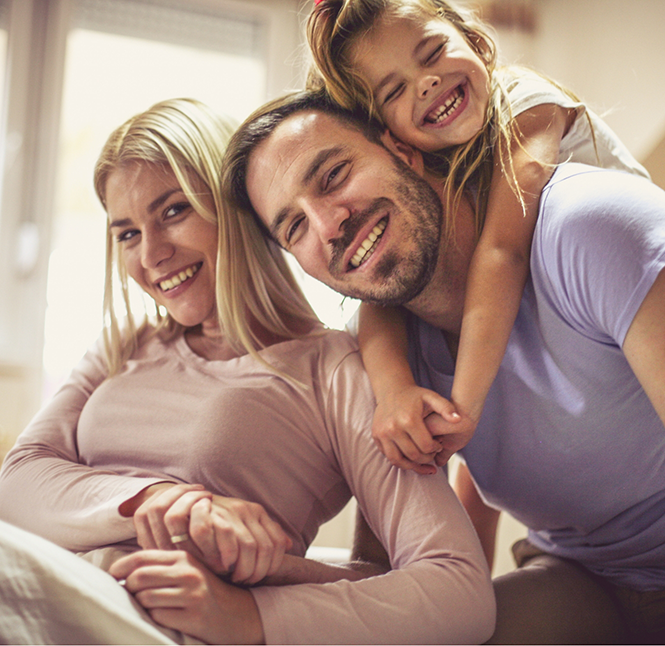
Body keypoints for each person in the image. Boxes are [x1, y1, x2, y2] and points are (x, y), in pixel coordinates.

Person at [0, 97, 495, 645]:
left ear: (236, 210)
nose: (152, 255)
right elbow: (16, 485)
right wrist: (168, 500)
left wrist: (252, 617)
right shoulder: (124, 346)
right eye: (127, 234)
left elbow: (460, 590)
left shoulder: (333, 368)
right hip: (44, 590)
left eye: (173, 211)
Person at [224, 88, 665, 643]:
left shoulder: (590, 230)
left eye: (333, 175)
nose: (327, 226)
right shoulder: (386, 362)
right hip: (584, 576)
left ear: (401, 150)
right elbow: (389, 572)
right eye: (294, 228)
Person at [305, 0, 650, 474]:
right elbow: (384, 303)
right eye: (394, 90)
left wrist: (462, 410)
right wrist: (393, 391)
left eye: (432, 52)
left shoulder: (525, 101)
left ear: (475, 39)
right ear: (393, 137)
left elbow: (502, 251)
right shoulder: (439, 165)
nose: (425, 82)